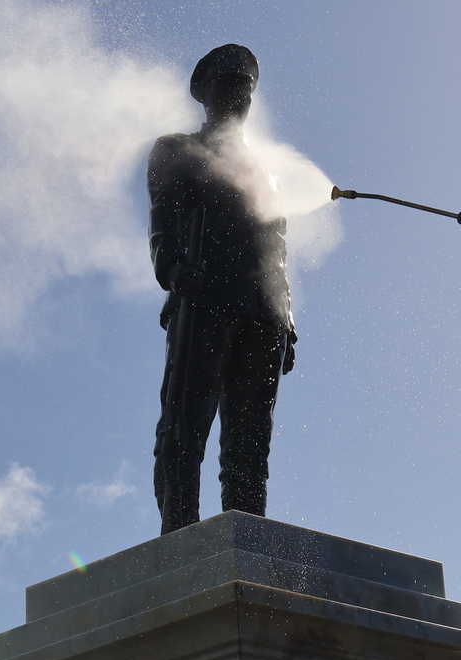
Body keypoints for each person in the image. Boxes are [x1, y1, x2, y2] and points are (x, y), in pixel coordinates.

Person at [147, 44, 295, 536]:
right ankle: (181, 535)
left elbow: (277, 247)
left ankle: (247, 535)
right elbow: (163, 217)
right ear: (205, 92)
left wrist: (286, 319)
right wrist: (170, 266)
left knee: (252, 437)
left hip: (263, 313)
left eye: (246, 87)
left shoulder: (267, 173)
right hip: (204, 296)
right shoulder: (177, 148)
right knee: (185, 427)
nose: (239, 94)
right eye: (229, 83)